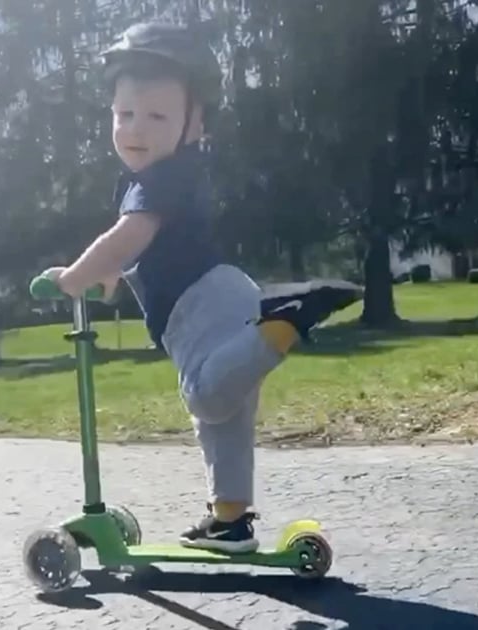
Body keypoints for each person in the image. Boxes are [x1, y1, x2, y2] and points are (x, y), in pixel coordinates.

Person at [39, 21, 363, 553]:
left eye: (157, 115)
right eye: (124, 115)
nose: (136, 129)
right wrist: (108, 279)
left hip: (199, 306)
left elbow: (128, 236)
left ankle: (285, 322)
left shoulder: (160, 179)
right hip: (224, 291)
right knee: (227, 421)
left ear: (196, 125)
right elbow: (140, 255)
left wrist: (74, 277)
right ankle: (229, 521)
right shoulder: (173, 175)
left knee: (207, 398)